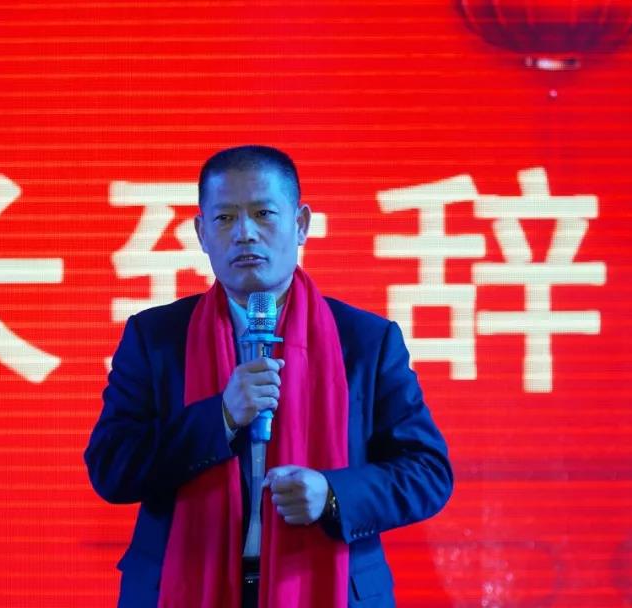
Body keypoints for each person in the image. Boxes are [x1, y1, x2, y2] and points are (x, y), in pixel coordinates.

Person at [85, 145, 453, 607]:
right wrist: (220, 417)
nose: (245, 233)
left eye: (263, 214)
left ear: (301, 224)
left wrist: (332, 494)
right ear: (201, 233)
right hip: (181, 586)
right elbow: (112, 468)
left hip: (333, 587)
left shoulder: (365, 340)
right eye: (225, 218)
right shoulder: (155, 338)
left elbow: (427, 472)